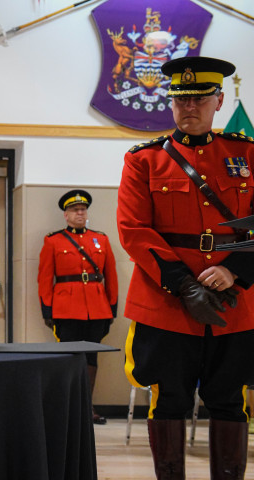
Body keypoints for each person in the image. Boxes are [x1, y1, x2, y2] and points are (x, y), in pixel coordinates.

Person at [118, 56, 254, 479]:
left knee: (230, 398)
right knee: (169, 398)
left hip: (235, 301)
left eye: (198, 99)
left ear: (217, 100)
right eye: (180, 100)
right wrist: (184, 285)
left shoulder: (246, 153)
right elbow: (133, 229)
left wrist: (234, 270)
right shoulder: (144, 160)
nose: (188, 107)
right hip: (168, 302)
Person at [37, 189, 118, 425]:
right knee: (68, 357)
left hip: (97, 308)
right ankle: (67, 405)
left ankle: (86, 406)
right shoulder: (53, 241)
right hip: (66, 308)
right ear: (66, 215)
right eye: (74, 209)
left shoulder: (101, 239)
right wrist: (47, 310)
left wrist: (111, 308)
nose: (80, 212)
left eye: (83, 209)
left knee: (92, 358)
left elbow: (111, 276)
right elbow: (44, 279)